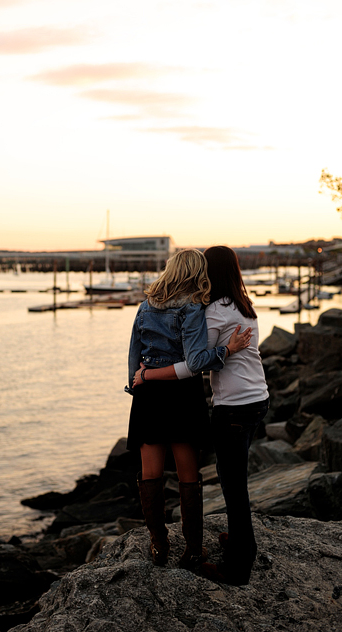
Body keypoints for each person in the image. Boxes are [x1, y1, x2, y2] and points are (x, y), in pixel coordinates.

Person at [133, 246, 268, 585]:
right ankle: (197, 549)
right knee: (195, 476)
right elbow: (196, 359)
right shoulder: (234, 307)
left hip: (162, 398)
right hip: (210, 397)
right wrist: (225, 349)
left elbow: (143, 356)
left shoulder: (148, 307)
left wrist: (139, 381)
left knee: (158, 475)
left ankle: (162, 545)